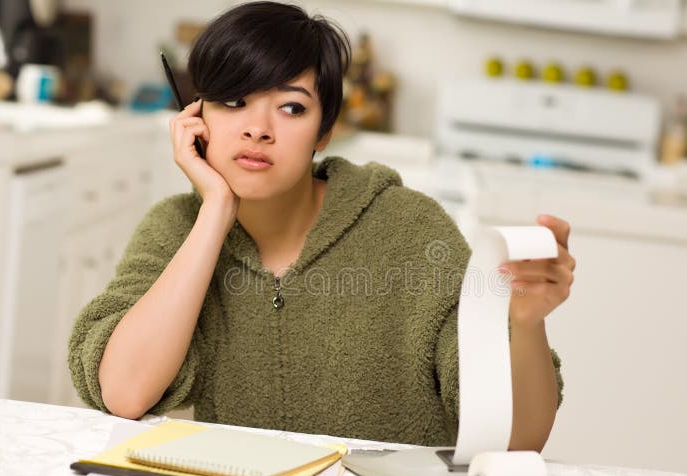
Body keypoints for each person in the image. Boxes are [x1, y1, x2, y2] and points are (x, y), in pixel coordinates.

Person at [68, 1, 575, 451]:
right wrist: (215, 211)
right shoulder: (175, 228)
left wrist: (527, 326)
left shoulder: (409, 228)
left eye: (291, 107)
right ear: (195, 116)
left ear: (325, 130)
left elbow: (515, 440)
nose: (257, 129)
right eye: (233, 101)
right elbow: (125, 393)